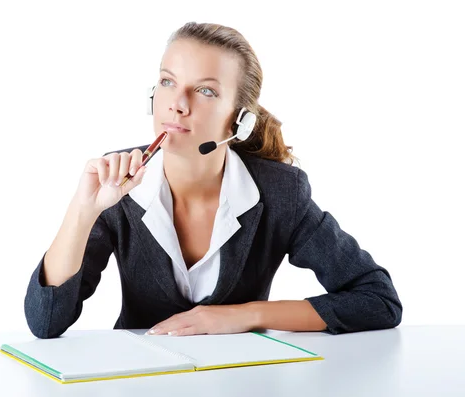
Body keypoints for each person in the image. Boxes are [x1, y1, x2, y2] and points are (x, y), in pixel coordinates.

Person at [23, 22, 402, 339]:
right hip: (140, 381)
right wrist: (82, 211)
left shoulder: (281, 193)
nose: (178, 103)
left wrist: (246, 315)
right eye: (168, 82)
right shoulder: (118, 183)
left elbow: (378, 299)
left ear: (240, 121)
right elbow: (45, 322)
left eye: (205, 91)